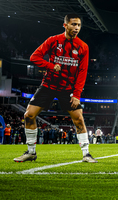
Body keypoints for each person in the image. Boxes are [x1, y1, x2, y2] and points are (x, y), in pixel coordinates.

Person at [13, 13, 97, 163]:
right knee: (28, 115)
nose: (76, 28)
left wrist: (77, 94)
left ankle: (86, 154)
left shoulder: (83, 47)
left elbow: (83, 72)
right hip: (48, 85)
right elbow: (34, 57)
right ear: (65, 25)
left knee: (78, 119)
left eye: (78, 25)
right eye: (73, 24)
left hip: (68, 88)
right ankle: (31, 152)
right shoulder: (53, 40)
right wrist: (51, 66)